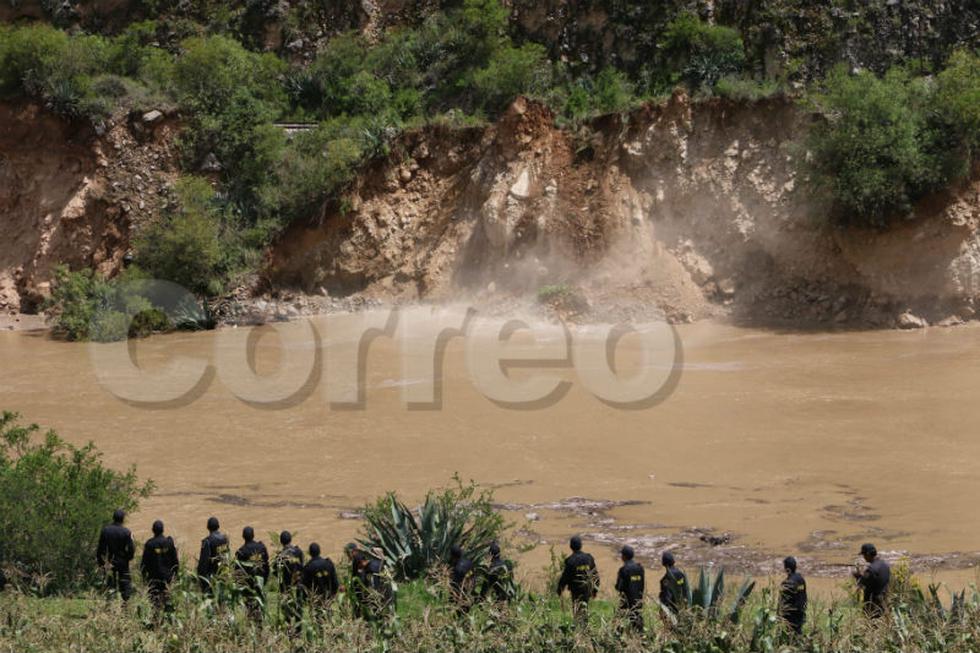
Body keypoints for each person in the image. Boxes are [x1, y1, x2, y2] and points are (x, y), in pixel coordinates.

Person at [557, 535, 599, 625]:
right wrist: (595, 590)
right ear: (581, 545)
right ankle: (584, 627)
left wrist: (560, 589)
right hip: (587, 589)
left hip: (576, 590)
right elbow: (595, 575)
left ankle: (580, 628)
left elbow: (565, 577)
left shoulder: (570, 561)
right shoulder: (589, 558)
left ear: (570, 546)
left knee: (577, 610)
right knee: (584, 608)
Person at [140, 520, 179, 612]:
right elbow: (175, 561)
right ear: (163, 530)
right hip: (167, 578)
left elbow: (144, 563)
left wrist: (144, 578)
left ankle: (156, 618)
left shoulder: (149, 544)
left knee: (154, 603)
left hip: (153, 578)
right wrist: (175, 575)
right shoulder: (169, 543)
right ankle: (167, 617)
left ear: (153, 530)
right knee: (167, 601)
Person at [97, 509, 135, 601]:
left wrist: (101, 562)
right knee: (125, 583)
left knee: (110, 584)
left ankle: (110, 602)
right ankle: (125, 603)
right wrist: (128, 558)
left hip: (109, 562)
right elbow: (131, 548)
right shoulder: (127, 532)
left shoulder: (105, 530)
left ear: (113, 518)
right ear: (123, 519)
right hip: (123, 562)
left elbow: (100, 549)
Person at [235, 526, 270, 618]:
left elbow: (238, 572)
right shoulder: (262, 547)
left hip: (248, 586)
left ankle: (252, 623)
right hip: (260, 582)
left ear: (243, 536)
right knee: (260, 605)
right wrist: (265, 580)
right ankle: (260, 623)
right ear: (253, 535)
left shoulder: (241, 552)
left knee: (250, 609)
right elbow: (267, 566)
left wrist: (240, 588)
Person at [274, 531, 304, 627]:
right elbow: (302, 567)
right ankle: (298, 629)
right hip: (298, 584)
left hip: (285, 586)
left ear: (281, 542)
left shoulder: (280, 556)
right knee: (298, 606)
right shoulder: (298, 552)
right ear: (291, 539)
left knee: (286, 608)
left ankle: (288, 628)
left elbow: (276, 571)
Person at [853, 543, 890, 618]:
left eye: (864, 555)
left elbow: (863, 583)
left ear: (868, 554)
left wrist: (858, 576)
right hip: (884, 601)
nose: (864, 557)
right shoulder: (885, 565)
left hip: (873, 605)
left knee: (872, 623)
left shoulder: (871, 570)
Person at [302, 542, 339, 617]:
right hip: (328, 596)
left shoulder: (308, 567)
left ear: (310, 553)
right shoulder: (329, 564)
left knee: (318, 617)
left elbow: (305, 584)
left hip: (316, 597)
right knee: (328, 617)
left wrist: (306, 598)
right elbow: (335, 581)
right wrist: (334, 593)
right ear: (320, 551)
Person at [615, 545, 645, 632]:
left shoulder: (623, 570)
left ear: (624, 557)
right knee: (638, 622)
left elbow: (619, 587)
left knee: (619, 621)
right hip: (638, 600)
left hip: (626, 601)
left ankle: (619, 637)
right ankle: (640, 637)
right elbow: (642, 584)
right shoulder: (640, 568)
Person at [197, 517, 230, 593]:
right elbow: (227, 556)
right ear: (218, 526)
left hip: (212, 577)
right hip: (223, 574)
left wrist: (201, 579)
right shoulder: (225, 539)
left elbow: (203, 563)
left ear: (207, 527)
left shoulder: (207, 541)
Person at [778, 556, 807, 634]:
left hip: (790, 617)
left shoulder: (787, 583)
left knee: (790, 636)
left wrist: (779, 616)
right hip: (801, 614)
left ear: (787, 569)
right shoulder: (801, 579)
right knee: (798, 634)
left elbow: (782, 602)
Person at [449, 545, 475, 611]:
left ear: (452, 556)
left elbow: (455, 585)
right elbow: (473, 575)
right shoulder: (469, 562)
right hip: (470, 589)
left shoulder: (458, 569)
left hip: (461, 595)